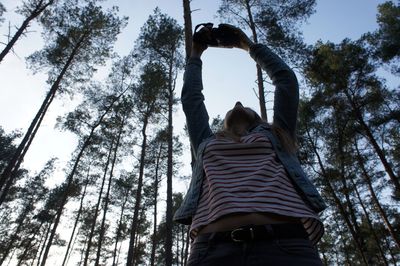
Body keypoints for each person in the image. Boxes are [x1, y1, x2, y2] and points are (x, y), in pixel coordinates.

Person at [174, 24, 327, 266]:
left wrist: (247, 45)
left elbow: (286, 81)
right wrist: (196, 53)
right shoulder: (206, 142)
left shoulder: (277, 135)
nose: (237, 102)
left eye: (243, 104)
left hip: (287, 245)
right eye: (233, 104)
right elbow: (191, 98)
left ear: (258, 118)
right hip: (211, 249)